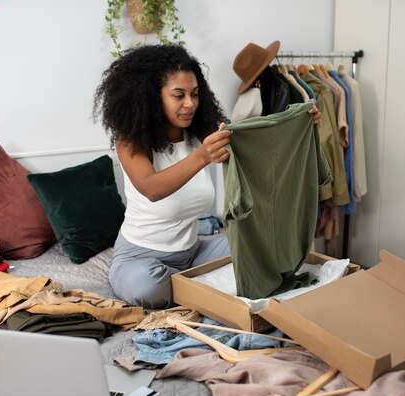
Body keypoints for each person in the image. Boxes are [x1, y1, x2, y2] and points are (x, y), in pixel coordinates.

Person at [93, 44, 322, 309]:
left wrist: (299, 122)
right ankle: (198, 286)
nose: (189, 103)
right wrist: (202, 155)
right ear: (151, 97)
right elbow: (150, 188)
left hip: (194, 253)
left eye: (194, 94)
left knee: (259, 253)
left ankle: (192, 286)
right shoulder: (130, 141)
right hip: (140, 258)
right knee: (148, 287)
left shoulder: (199, 131)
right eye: (178, 95)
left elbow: (258, 141)